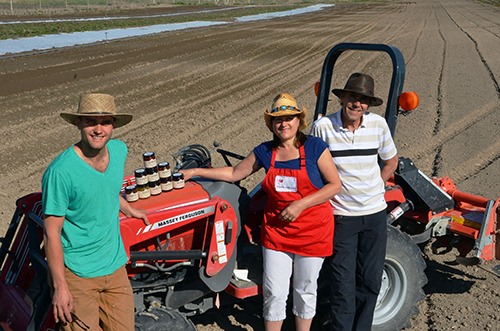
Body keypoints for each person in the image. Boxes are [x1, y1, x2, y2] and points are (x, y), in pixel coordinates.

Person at [180, 93, 341, 331]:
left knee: (305, 289)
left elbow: (334, 185)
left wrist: (300, 204)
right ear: (271, 124)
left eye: (289, 118)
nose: (283, 124)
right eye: (278, 120)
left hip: (313, 233)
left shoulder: (316, 148)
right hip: (278, 233)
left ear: (299, 121)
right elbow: (235, 173)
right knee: (274, 291)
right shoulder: (265, 151)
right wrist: (195, 173)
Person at [42, 93, 149, 330]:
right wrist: (60, 288)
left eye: (105, 122)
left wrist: (128, 208)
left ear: (113, 126)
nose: (98, 129)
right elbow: (51, 233)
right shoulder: (61, 172)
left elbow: (106, 189)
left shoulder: (119, 151)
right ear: (78, 124)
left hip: (114, 266)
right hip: (78, 274)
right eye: (91, 122)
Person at [310, 73, 399, 331]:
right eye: (352, 97)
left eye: (362, 99)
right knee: (342, 284)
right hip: (341, 217)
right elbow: (315, 169)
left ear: (368, 104)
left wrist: (378, 184)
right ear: (342, 98)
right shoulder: (323, 127)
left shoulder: (378, 125)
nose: (356, 104)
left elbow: (391, 161)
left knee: (370, 281)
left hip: (374, 216)